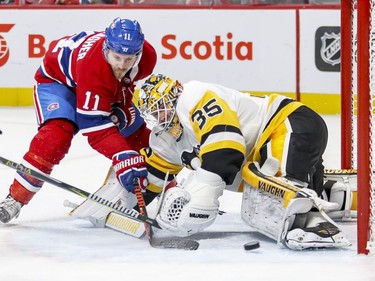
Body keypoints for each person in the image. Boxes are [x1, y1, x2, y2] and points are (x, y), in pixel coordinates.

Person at [134, 73, 351, 249]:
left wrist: (202, 194)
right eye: (153, 112)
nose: (159, 116)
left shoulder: (193, 95)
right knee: (265, 206)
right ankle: (333, 193)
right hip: (265, 155)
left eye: (161, 107)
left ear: (174, 95)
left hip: (288, 125)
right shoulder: (168, 138)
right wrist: (133, 206)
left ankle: (314, 224)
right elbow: (154, 178)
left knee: (284, 204)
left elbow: (226, 149)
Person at [0, 18, 157, 224]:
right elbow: (94, 127)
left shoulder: (147, 57)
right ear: (106, 49)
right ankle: (15, 199)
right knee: (56, 136)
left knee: (133, 129)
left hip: (94, 83)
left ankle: (167, 185)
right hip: (59, 83)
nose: (121, 65)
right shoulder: (94, 65)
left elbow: (124, 84)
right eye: (117, 57)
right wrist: (122, 156)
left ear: (138, 54)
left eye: (128, 59)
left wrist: (124, 115)